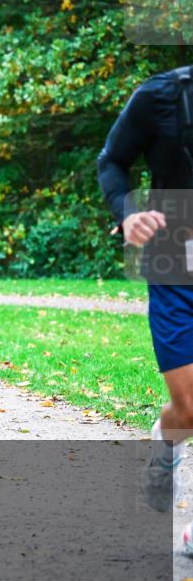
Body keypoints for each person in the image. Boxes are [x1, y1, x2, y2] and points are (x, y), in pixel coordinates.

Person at [97, 65, 193, 519]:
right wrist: (127, 213)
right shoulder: (163, 95)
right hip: (176, 263)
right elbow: (112, 160)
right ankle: (166, 447)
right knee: (190, 407)